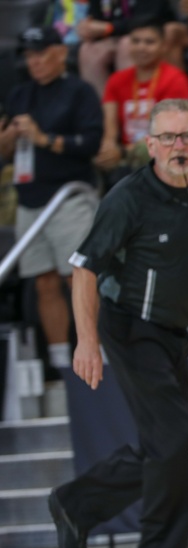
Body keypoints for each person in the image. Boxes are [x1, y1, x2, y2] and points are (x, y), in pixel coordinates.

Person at [49, 99, 188, 548]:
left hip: (177, 330)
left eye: (187, 137)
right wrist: (86, 342)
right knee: (174, 437)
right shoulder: (128, 198)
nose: (179, 147)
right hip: (129, 325)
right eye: (168, 138)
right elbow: (83, 268)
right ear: (150, 146)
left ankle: (76, 503)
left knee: (168, 442)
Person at [0, 27, 103, 382]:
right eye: (30, 56)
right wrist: (9, 139)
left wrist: (43, 138)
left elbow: (92, 144)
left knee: (78, 278)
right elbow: (3, 152)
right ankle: (61, 360)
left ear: (61, 52)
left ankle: (96, 349)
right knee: (43, 283)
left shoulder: (79, 92)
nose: (36, 61)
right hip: (30, 199)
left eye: (42, 53)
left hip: (68, 197)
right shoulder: (18, 94)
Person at [93, 19, 188, 177]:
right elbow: (109, 128)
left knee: (147, 149)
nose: (141, 47)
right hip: (126, 154)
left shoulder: (175, 79)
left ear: (163, 46)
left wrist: (123, 152)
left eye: (149, 42)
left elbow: (168, 131)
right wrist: (108, 147)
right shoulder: (116, 80)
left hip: (165, 151)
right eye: (136, 41)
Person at [76, 0, 185, 95]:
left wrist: (110, 28)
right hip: (112, 37)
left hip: (150, 33)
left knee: (128, 44)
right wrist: (88, 28)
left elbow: (147, 19)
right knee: (88, 50)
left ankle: (131, 104)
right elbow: (95, 17)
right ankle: (103, 110)